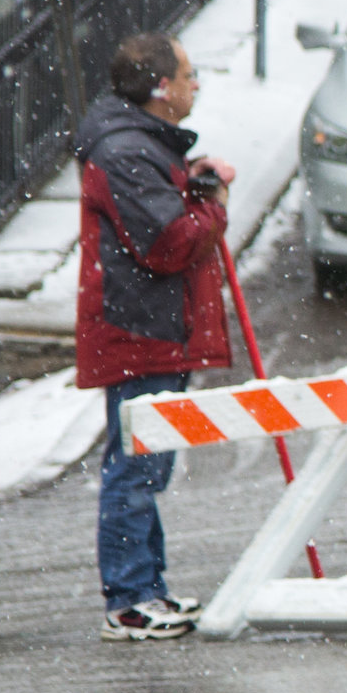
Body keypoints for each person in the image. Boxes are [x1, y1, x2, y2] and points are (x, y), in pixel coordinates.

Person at [74, 34, 235, 641]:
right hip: (138, 329)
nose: (196, 85)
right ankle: (130, 598)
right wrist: (213, 205)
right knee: (136, 468)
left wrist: (190, 186)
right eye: (190, 75)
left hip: (152, 328)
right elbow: (167, 243)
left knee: (147, 465)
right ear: (161, 87)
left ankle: (148, 588)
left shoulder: (138, 147)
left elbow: (163, 221)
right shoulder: (125, 153)